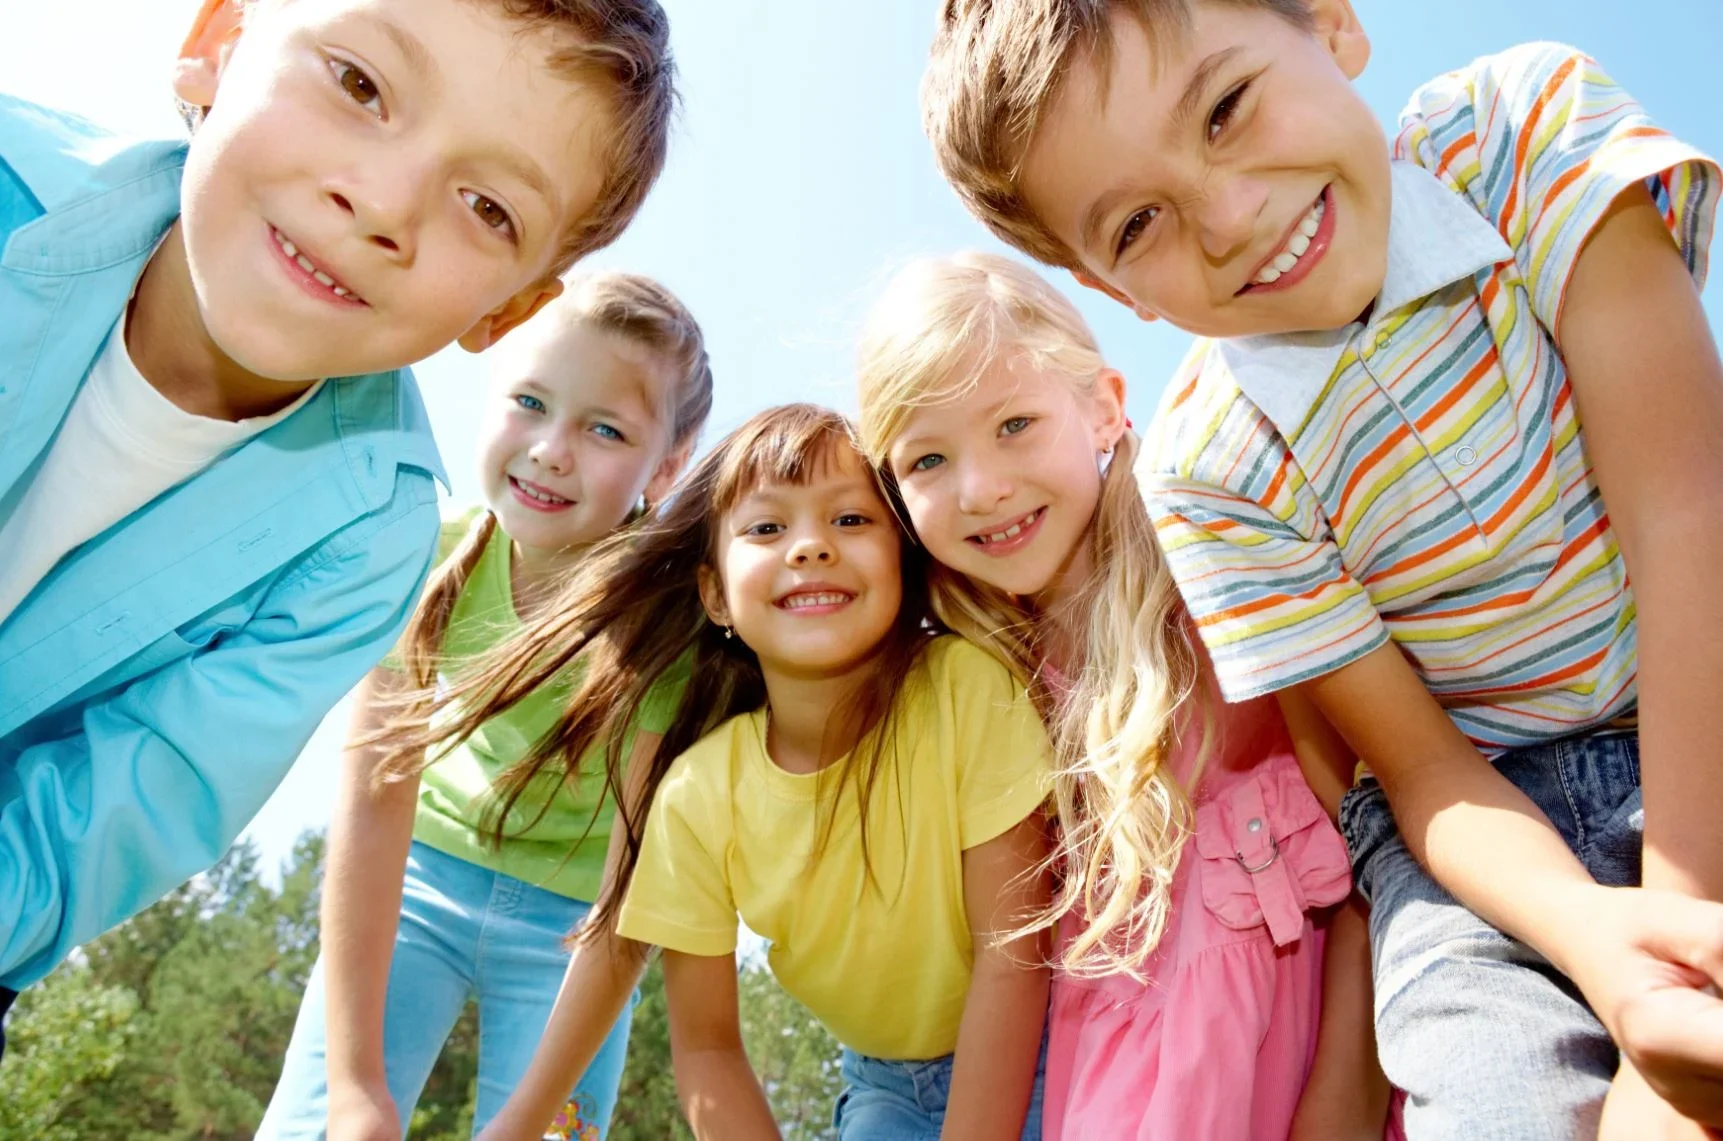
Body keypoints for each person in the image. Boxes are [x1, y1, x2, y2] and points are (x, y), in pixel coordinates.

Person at [921, 2, 1723, 1137]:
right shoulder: (1206, 470)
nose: (1232, 215)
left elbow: (1686, 513)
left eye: (1227, 107)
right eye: (1141, 222)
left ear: (1333, 24)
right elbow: (1421, 769)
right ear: (1115, 291)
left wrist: (1680, 968)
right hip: (1483, 843)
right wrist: (1603, 947)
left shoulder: (1519, 131)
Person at [0, 0, 680, 1045]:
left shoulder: (367, 539)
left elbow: (105, 825)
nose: (383, 205)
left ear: (502, 313)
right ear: (215, 46)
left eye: (487, 207)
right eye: (360, 84)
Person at [393, 404, 1055, 1140]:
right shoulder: (697, 794)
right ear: (714, 595)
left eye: (850, 521)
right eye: (767, 528)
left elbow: (1014, 953)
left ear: (902, 557)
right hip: (882, 1084)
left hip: (1042, 1049)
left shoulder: (964, 688)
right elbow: (707, 1045)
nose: (809, 547)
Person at [856, 250, 1392, 1140]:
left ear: (1103, 407)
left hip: (1301, 1061)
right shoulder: (978, 681)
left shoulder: (1220, 583)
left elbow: (1374, 836)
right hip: (1115, 1081)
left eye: (1014, 425)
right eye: (927, 460)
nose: (979, 486)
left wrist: (1346, 1092)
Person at [257, 273, 711, 1140]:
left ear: (666, 467)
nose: (549, 449)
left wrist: (533, 1113)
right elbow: (372, 797)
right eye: (530, 402)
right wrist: (355, 1085)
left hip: (573, 934)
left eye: (604, 428)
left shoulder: (667, 633)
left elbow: (628, 901)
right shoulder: (422, 557)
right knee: (320, 1124)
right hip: (414, 881)